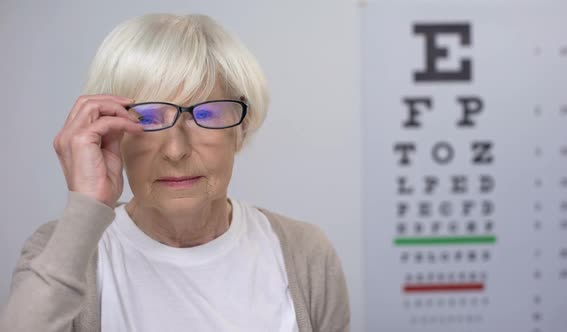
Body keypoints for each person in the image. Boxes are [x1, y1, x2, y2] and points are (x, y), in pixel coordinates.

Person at [0, 13, 350, 332]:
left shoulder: (305, 254)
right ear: (111, 132)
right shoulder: (61, 249)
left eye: (207, 114)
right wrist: (85, 207)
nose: (176, 150)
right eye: (147, 117)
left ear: (241, 130)